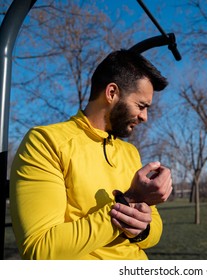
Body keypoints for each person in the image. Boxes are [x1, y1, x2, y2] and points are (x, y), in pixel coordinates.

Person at [9, 50, 173, 260]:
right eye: (141, 106)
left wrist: (141, 230)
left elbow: (154, 229)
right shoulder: (45, 142)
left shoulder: (130, 152)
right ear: (111, 93)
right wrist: (130, 200)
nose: (144, 117)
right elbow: (40, 251)